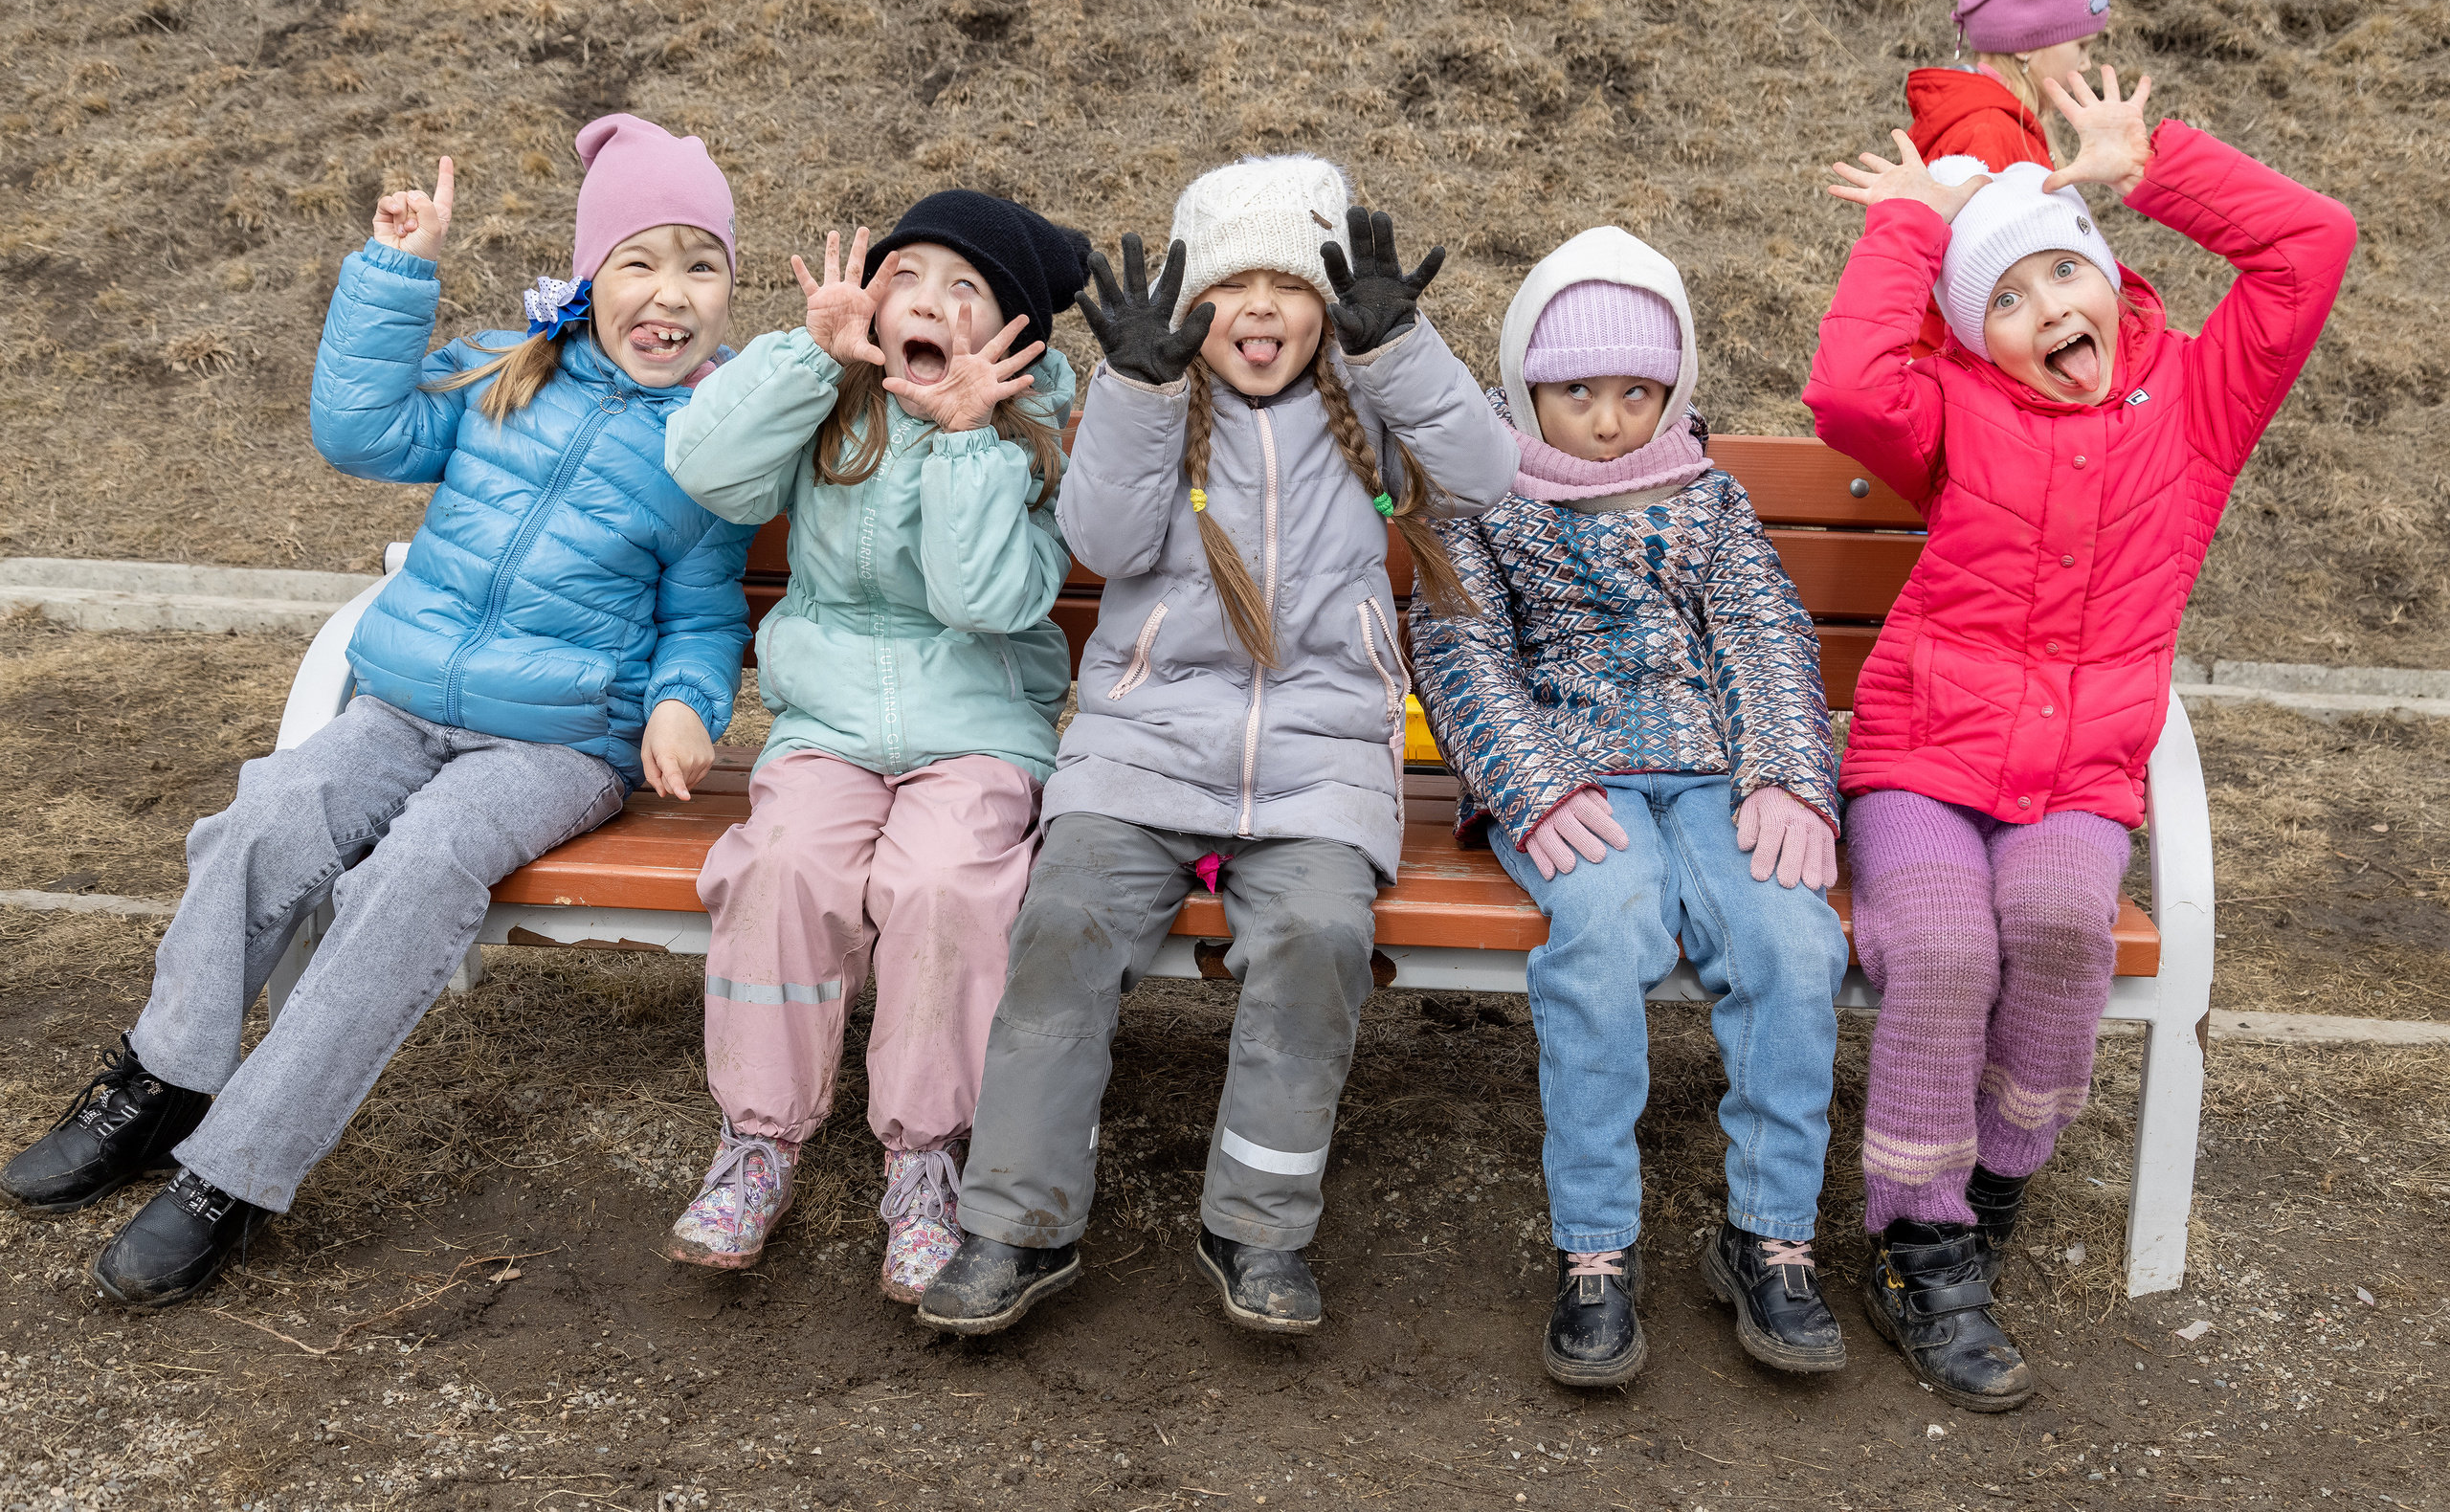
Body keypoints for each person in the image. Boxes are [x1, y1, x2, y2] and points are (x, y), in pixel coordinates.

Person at [0, 116, 759, 1306]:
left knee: (417, 870)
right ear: (589, 275)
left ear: (728, 291)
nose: (671, 294)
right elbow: (362, 432)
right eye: (640, 261)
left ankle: (234, 1171)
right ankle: (159, 1080)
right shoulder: (507, 368)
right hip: (400, 706)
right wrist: (395, 277)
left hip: (560, 742)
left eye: (701, 266)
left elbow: (705, 614)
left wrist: (680, 704)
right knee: (267, 816)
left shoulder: (714, 442)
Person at [1812, 69, 2354, 1409]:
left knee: (2060, 927)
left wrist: (2150, 165)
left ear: (2108, 277)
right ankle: (1919, 1246)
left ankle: (1994, 1186)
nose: (2049, 307)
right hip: (1921, 767)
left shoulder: (2199, 404)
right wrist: (1916, 227)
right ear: (1974, 336)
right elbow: (1847, 389)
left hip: (2076, 781)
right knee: (1943, 946)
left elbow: (2311, 245)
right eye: (2005, 297)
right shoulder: (1954, 410)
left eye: (2064, 271)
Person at [914, 155, 1517, 1337]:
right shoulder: (1157, 397)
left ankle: (1258, 1225)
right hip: (1143, 749)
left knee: (1319, 938)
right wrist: (1135, 393)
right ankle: (1016, 1221)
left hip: (1319, 764)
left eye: (1288, 286)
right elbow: (1102, 544)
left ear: (1328, 303)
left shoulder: (1366, 402)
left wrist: (1400, 353)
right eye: (1229, 285)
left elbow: (1487, 480)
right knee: (1063, 922)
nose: (1258, 310)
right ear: (1188, 305)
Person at [1410, 225, 1852, 1387]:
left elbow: (1761, 632)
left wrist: (1786, 774)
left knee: (1792, 941)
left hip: (1714, 777)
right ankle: (1594, 1245)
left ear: (1673, 389)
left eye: (1636, 393)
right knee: (1602, 935)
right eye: (1576, 393)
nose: (1607, 421)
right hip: (1571, 783)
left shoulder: (1708, 502)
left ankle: (1768, 1234)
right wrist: (1527, 781)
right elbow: (1459, 648)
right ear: (1526, 387)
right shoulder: (1483, 498)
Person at [660, 192, 1088, 1301]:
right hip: (828, 727)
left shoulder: (1032, 437)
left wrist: (967, 439)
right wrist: (811, 359)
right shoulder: (828, 397)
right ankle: (758, 1143)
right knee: (782, 867)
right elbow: (706, 471)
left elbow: (983, 601)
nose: (928, 303)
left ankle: (927, 1160)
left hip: (978, 730)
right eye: (907, 277)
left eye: (966, 289)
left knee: (946, 887)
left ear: (1013, 334)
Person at [1904, 0, 2112, 357]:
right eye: (2081, 45)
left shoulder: (1999, 119)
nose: (2087, 62)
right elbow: (1997, 289)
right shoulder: (1990, 137)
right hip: (1967, 367)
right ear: (2026, 44)